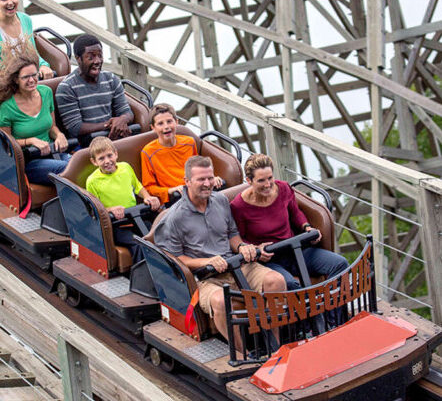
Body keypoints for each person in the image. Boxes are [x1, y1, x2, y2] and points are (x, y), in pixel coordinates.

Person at [154, 155, 286, 347]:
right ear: (187, 182)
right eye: (201, 179)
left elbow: (232, 234)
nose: (207, 183)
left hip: (235, 266)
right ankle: (240, 353)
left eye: (210, 178)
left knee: (276, 281)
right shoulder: (174, 218)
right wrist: (206, 261)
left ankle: (275, 345)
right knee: (221, 301)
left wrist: (242, 247)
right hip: (206, 278)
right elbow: (174, 257)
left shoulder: (221, 201)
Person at [230, 153, 349, 293]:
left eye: (270, 178)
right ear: (249, 181)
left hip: (295, 250)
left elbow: (296, 213)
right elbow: (240, 238)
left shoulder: (284, 188)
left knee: (340, 264)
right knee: (291, 286)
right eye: (261, 181)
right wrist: (257, 249)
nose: (268, 185)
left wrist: (307, 227)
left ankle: (334, 314)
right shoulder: (239, 206)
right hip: (271, 261)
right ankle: (309, 314)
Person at [0, 40, 70, 184]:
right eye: (26, 77)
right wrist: (30, 141)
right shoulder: (7, 106)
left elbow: (51, 127)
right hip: (29, 161)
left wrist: (59, 135)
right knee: (67, 169)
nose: (32, 80)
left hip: (52, 152)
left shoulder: (46, 92)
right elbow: (6, 143)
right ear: (16, 80)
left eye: (34, 75)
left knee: (80, 164)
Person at [86, 136, 160, 264]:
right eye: (101, 158)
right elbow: (94, 208)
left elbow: (138, 187)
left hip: (135, 217)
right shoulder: (92, 181)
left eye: (110, 156)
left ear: (116, 154)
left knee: (157, 236)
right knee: (138, 244)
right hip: (116, 225)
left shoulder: (125, 167)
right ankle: (143, 277)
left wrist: (147, 197)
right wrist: (110, 210)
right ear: (94, 162)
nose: (107, 161)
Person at [55, 34, 133, 145]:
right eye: (91, 57)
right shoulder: (67, 88)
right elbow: (75, 128)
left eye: (100, 56)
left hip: (113, 139)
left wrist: (122, 120)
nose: (97, 61)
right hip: (87, 145)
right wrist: (111, 124)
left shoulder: (111, 79)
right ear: (78, 59)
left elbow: (126, 112)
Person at [141, 103, 223, 204]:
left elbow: (198, 170)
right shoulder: (148, 152)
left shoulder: (189, 142)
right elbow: (149, 187)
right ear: (153, 127)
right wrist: (169, 191)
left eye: (169, 121)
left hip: (195, 191)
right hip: (175, 199)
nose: (166, 127)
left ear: (176, 122)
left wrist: (210, 180)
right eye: (160, 124)